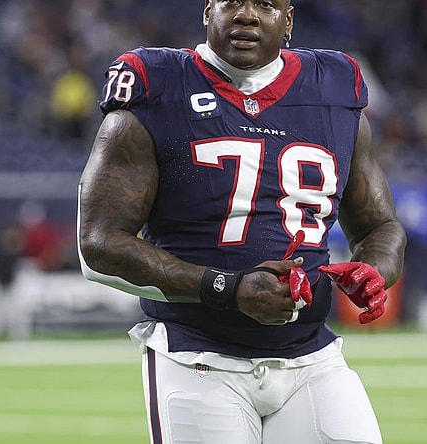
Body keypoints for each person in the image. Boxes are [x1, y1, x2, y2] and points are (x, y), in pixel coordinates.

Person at [78, 1, 406, 443]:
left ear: (288, 20)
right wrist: (228, 289)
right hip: (196, 357)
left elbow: (380, 227)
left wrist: (374, 271)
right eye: (232, 0)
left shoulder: (332, 89)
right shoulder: (159, 85)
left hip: (312, 356)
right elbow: (98, 246)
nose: (247, 15)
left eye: (266, 4)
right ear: (207, 10)